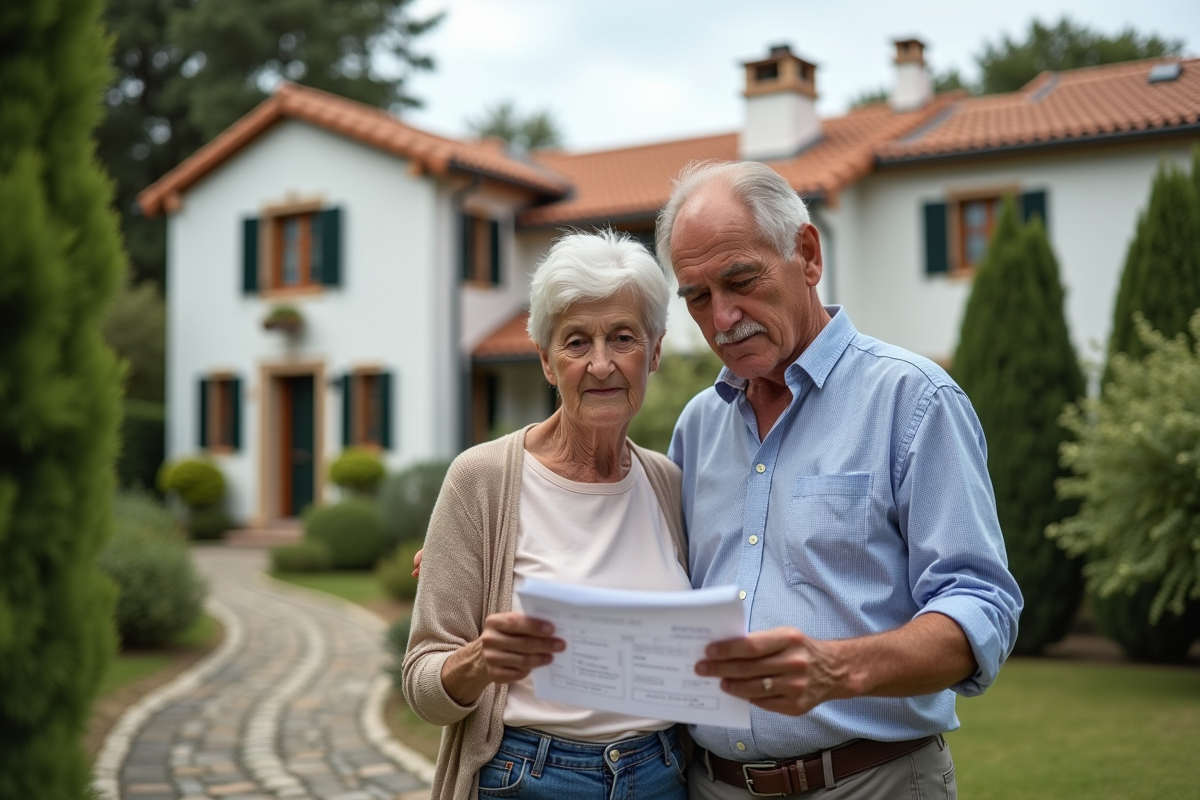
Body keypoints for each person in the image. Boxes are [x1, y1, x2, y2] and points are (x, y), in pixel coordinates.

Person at [654, 160, 1023, 799]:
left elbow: (982, 607)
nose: (722, 318)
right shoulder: (697, 426)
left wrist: (837, 670)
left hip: (870, 782)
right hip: (712, 784)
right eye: (697, 297)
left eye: (740, 280)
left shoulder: (913, 400)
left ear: (807, 253)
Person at [402, 231, 691, 800]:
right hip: (530, 777)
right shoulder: (481, 479)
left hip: (663, 774)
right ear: (546, 360)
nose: (601, 363)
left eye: (623, 338)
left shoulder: (669, 483)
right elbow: (421, 685)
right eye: (576, 342)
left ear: (654, 352)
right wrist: (480, 660)